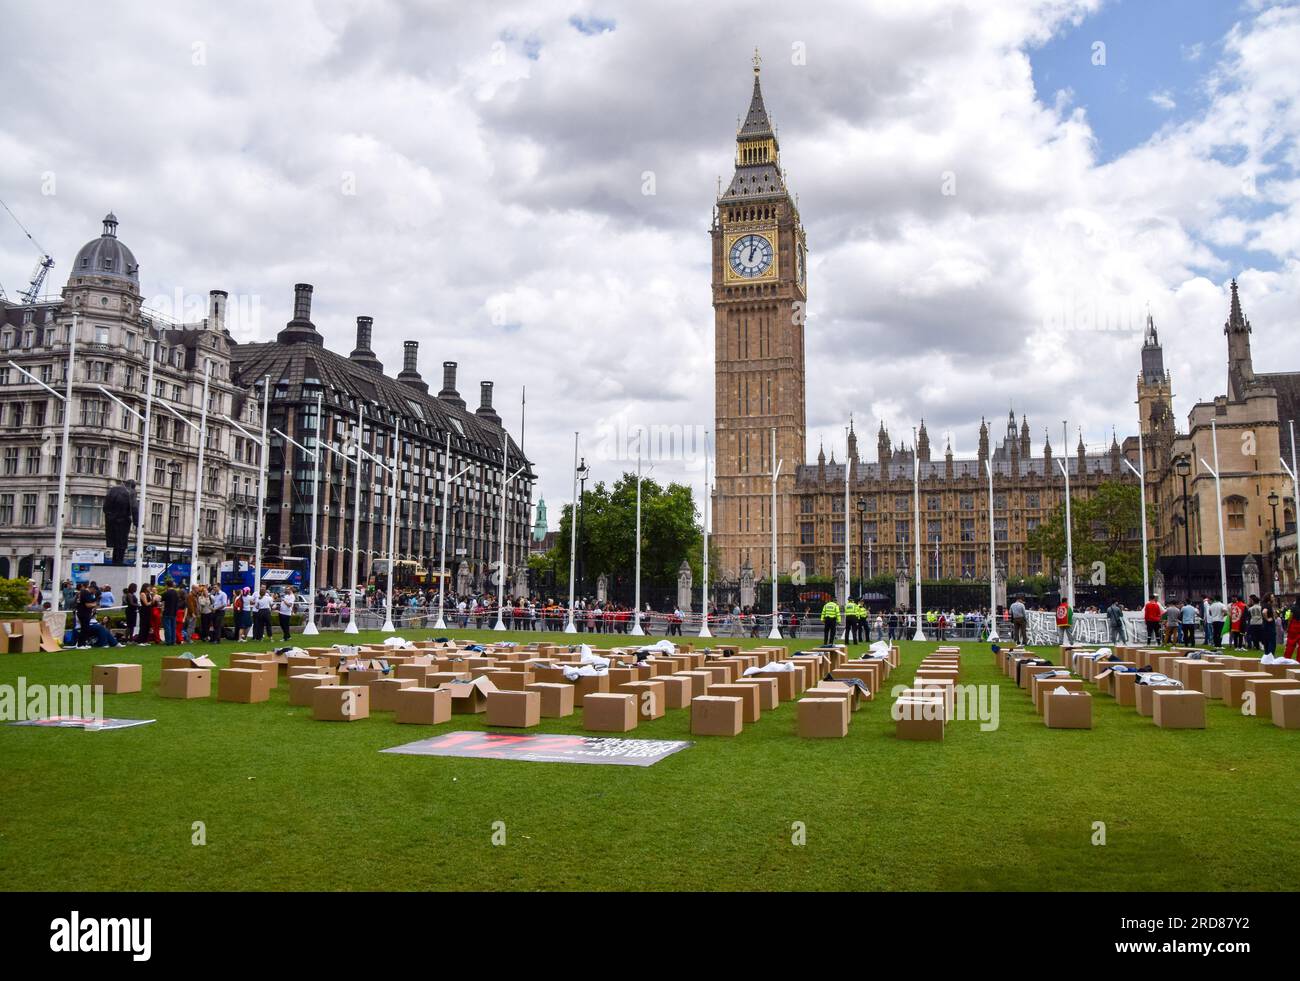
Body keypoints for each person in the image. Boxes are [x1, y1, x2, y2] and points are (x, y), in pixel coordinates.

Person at [74, 581, 99, 648]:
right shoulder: (86, 593)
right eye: (95, 591)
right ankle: (80, 644)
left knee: (85, 628)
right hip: (83, 613)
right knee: (84, 629)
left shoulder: (83, 592)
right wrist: (95, 604)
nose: (94, 593)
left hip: (82, 612)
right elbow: (88, 604)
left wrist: (95, 600)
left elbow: (90, 601)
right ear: (92, 588)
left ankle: (83, 643)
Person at [160, 580, 180, 645]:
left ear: (167, 585)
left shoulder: (166, 593)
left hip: (167, 612)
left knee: (167, 627)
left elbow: (161, 599)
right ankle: (173, 641)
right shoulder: (176, 593)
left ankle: (168, 641)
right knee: (173, 627)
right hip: (174, 612)